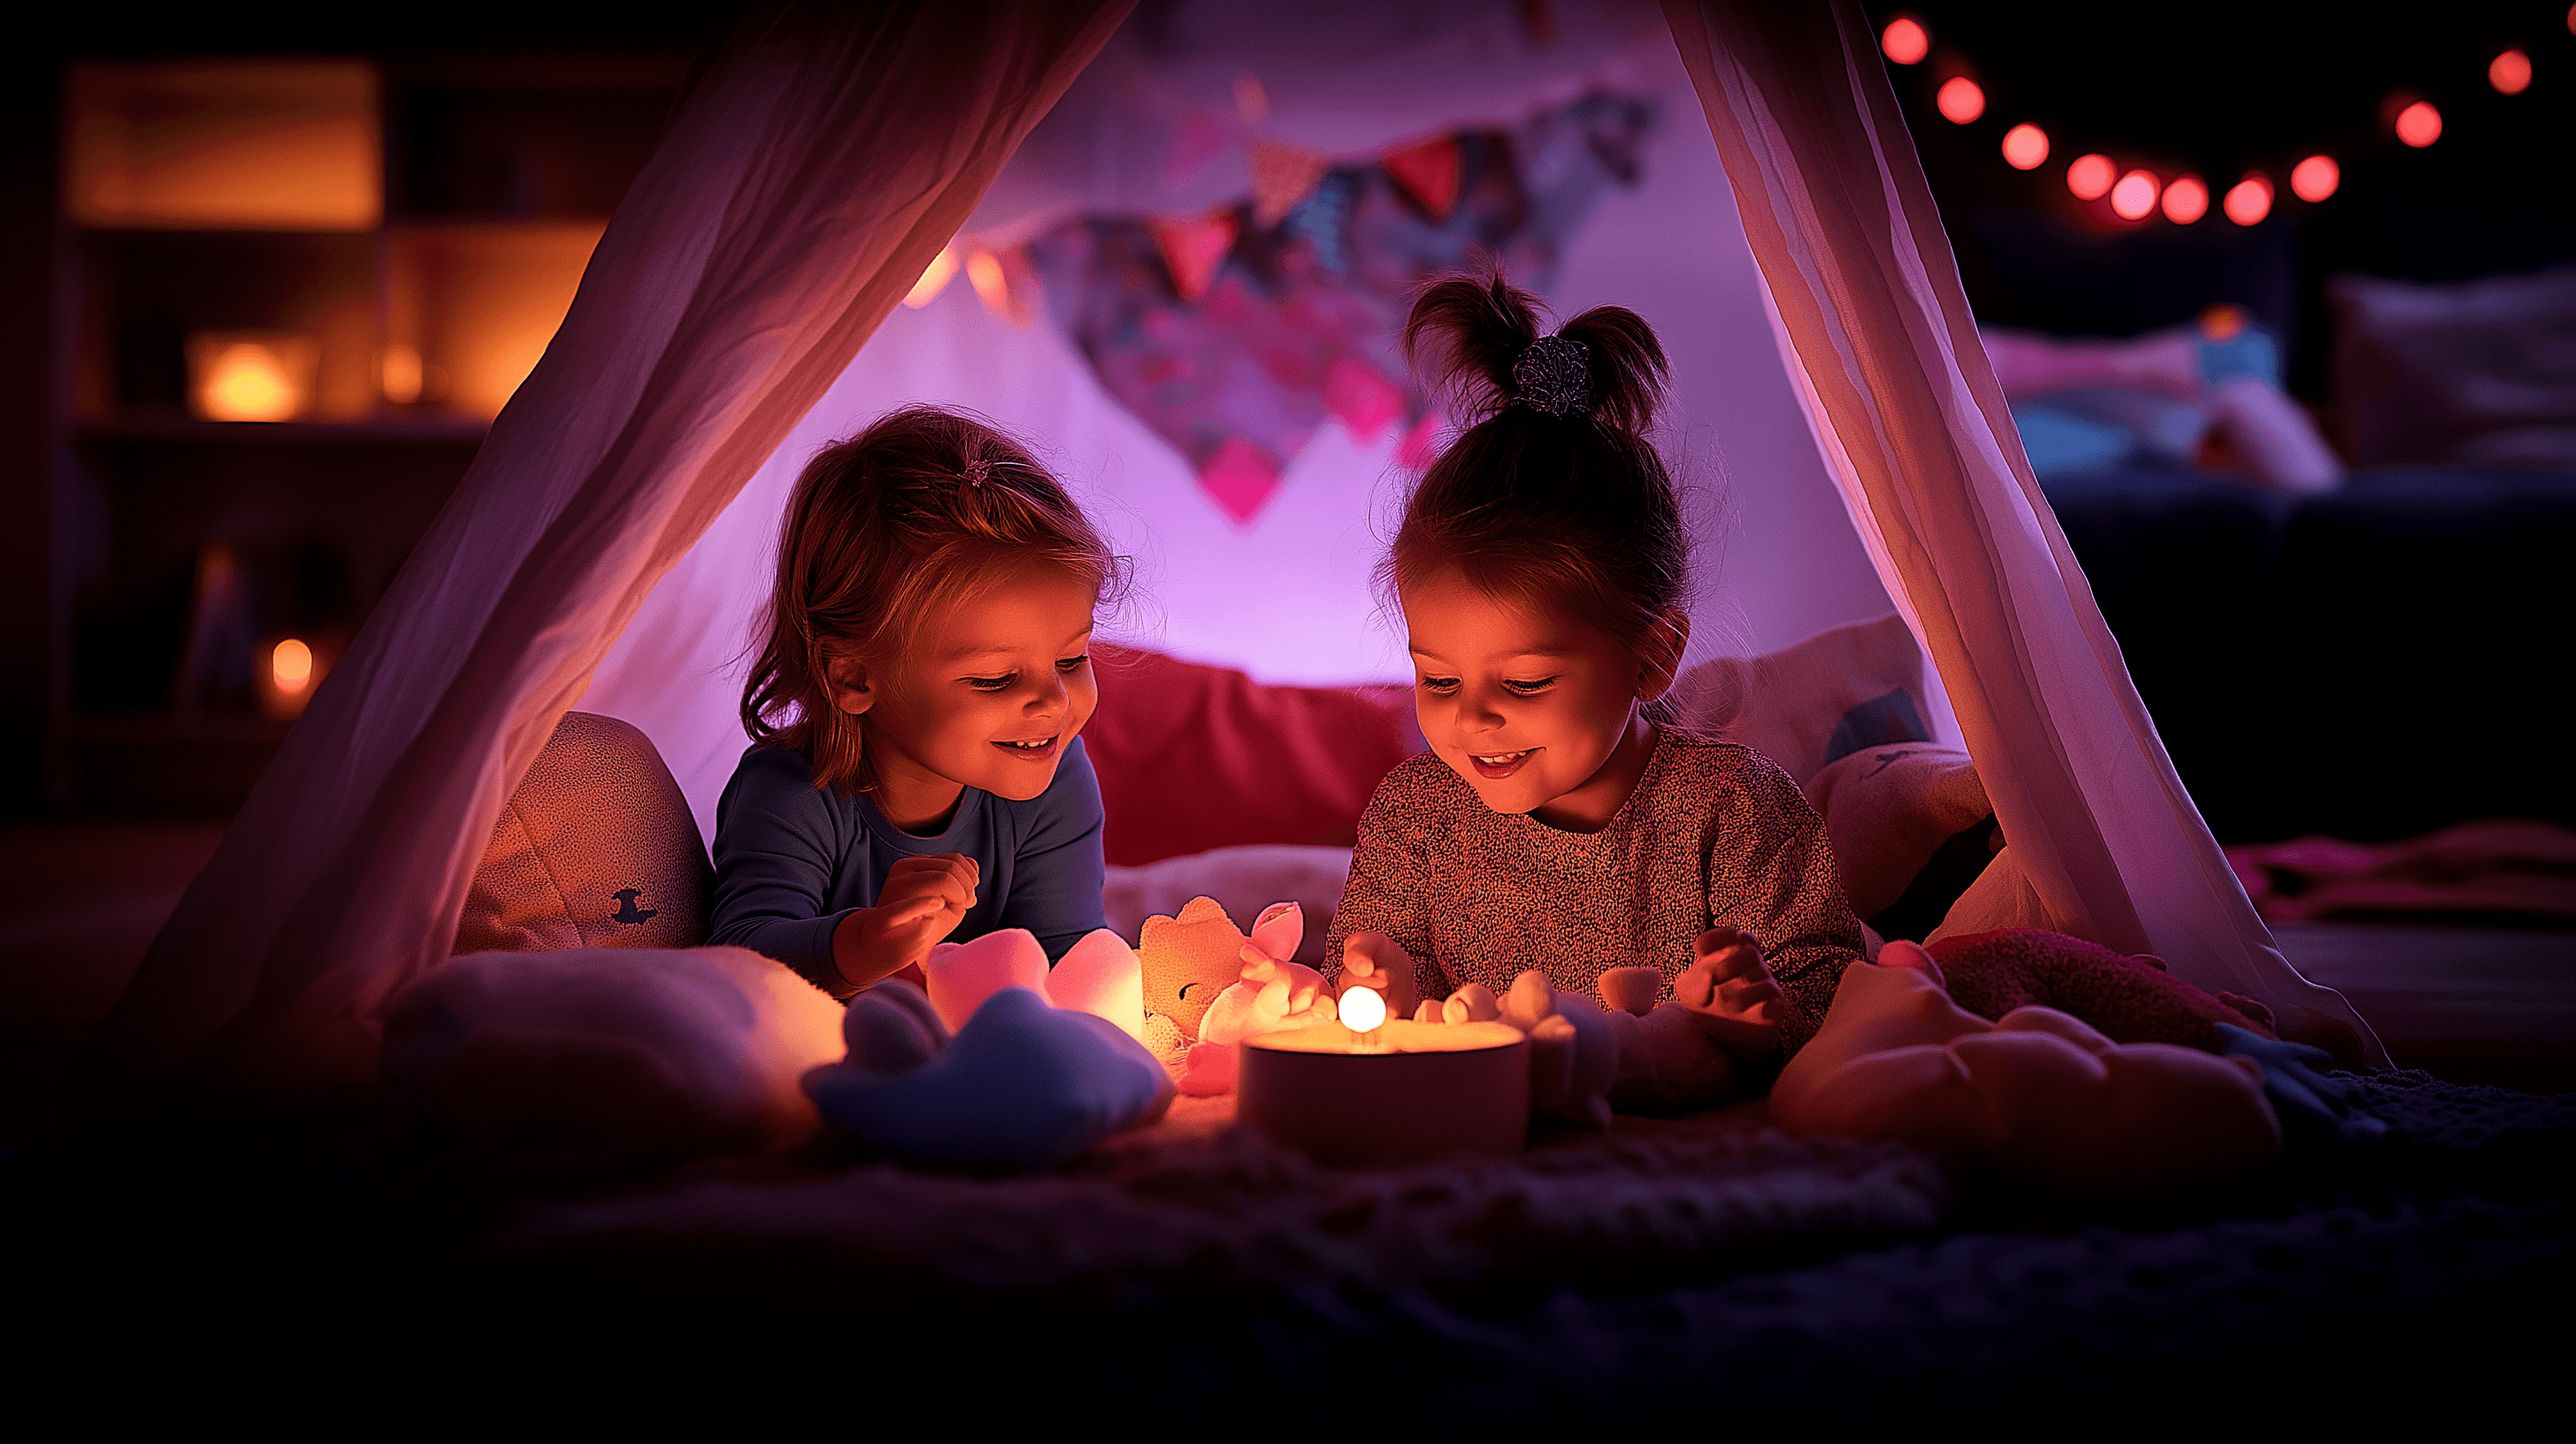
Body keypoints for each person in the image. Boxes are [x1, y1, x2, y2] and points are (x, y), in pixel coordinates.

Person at [1325, 271, 2303, 1112]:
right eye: (1435, 677)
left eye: (1525, 680)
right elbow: (1370, 974)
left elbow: (1833, 1000)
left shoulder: (1727, 812)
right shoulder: (1418, 818)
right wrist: (1381, 974)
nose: (1469, 715)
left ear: (1651, 658)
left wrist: (1752, 1015)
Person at [709, 406, 1122, 998]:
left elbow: (1070, 969)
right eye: (996, 679)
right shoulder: (789, 792)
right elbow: (739, 961)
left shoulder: (1057, 776)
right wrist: (866, 942)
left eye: (1070, 660)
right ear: (853, 678)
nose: (1054, 703)